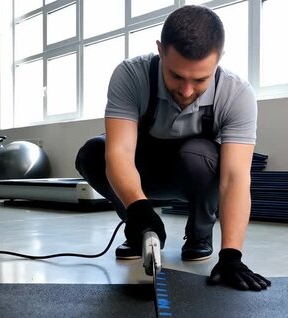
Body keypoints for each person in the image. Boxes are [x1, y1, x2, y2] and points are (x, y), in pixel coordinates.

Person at [76, 5, 270, 291]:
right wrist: (139, 211)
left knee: (200, 155)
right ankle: (139, 226)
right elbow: (119, 153)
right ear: (160, 50)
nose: (187, 91)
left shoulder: (237, 93)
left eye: (200, 79)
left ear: (219, 60)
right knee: (93, 153)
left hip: (193, 171)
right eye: (177, 76)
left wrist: (232, 254)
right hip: (142, 169)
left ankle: (200, 235)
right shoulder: (131, 75)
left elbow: (235, 178)